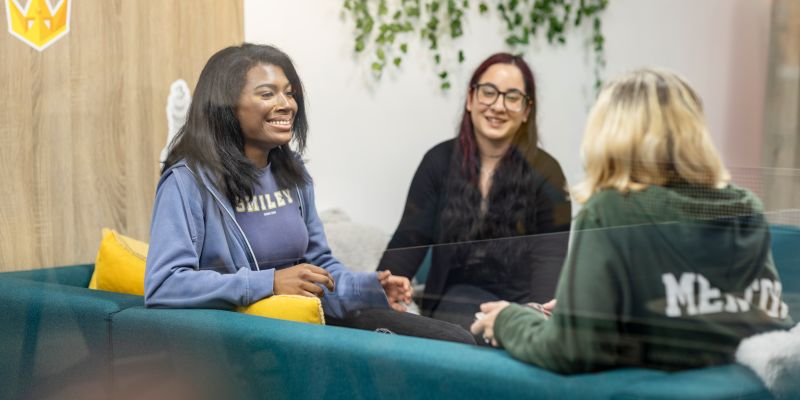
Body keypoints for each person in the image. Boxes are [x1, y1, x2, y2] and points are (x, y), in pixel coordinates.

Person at [144, 43, 474, 344]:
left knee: (455, 341)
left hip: (307, 327)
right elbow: (164, 284)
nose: (286, 104)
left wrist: (368, 288)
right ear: (226, 107)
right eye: (267, 93)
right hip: (239, 338)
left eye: (289, 93)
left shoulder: (293, 172)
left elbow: (319, 266)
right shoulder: (187, 182)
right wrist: (269, 283)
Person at [471, 68, 794, 372]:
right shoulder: (745, 207)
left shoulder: (612, 210)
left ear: (610, 134)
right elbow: (750, 322)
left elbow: (571, 350)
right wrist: (588, 306)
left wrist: (508, 320)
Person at [378, 53, 572, 336]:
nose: (498, 106)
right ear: (470, 99)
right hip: (448, 309)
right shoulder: (438, 162)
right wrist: (382, 291)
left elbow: (550, 264)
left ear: (527, 110)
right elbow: (409, 240)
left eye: (513, 97)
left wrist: (531, 323)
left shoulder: (549, 173)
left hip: (517, 313)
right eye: (488, 93)